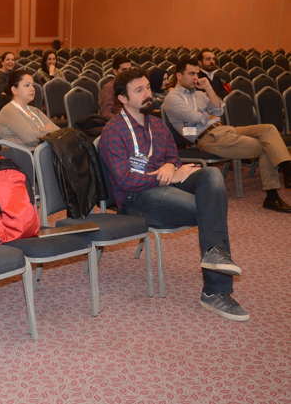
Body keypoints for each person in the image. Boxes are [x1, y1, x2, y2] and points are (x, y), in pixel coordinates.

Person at [99, 69, 249, 322]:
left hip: (166, 186)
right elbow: (125, 180)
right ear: (122, 99)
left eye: (148, 87)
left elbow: (173, 156)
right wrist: (166, 175)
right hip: (137, 198)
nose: (148, 94)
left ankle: (213, 252)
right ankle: (215, 291)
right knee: (209, 209)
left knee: (211, 175)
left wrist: (170, 167)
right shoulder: (114, 131)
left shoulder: (157, 124)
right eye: (139, 90)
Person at [164, 58, 291, 213]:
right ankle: (272, 197)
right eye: (191, 74)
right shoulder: (172, 97)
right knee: (265, 147)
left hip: (225, 129)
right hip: (208, 137)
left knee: (269, 129)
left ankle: (288, 171)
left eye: (197, 73)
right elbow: (195, 117)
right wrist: (209, 116)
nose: (196, 78)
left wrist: (208, 88)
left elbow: (218, 111)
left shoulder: (199, 94)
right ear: (179, 75)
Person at [0, 70, 58, 150]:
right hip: (21, 156)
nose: (32, 89)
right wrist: (46, 131)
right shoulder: (9, 111)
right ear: (14, 90)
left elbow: (57, 131)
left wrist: (33, 133)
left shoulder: (35, 110)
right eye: (27, 85)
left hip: (40, 153)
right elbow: (31, 138)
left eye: (33, 85)